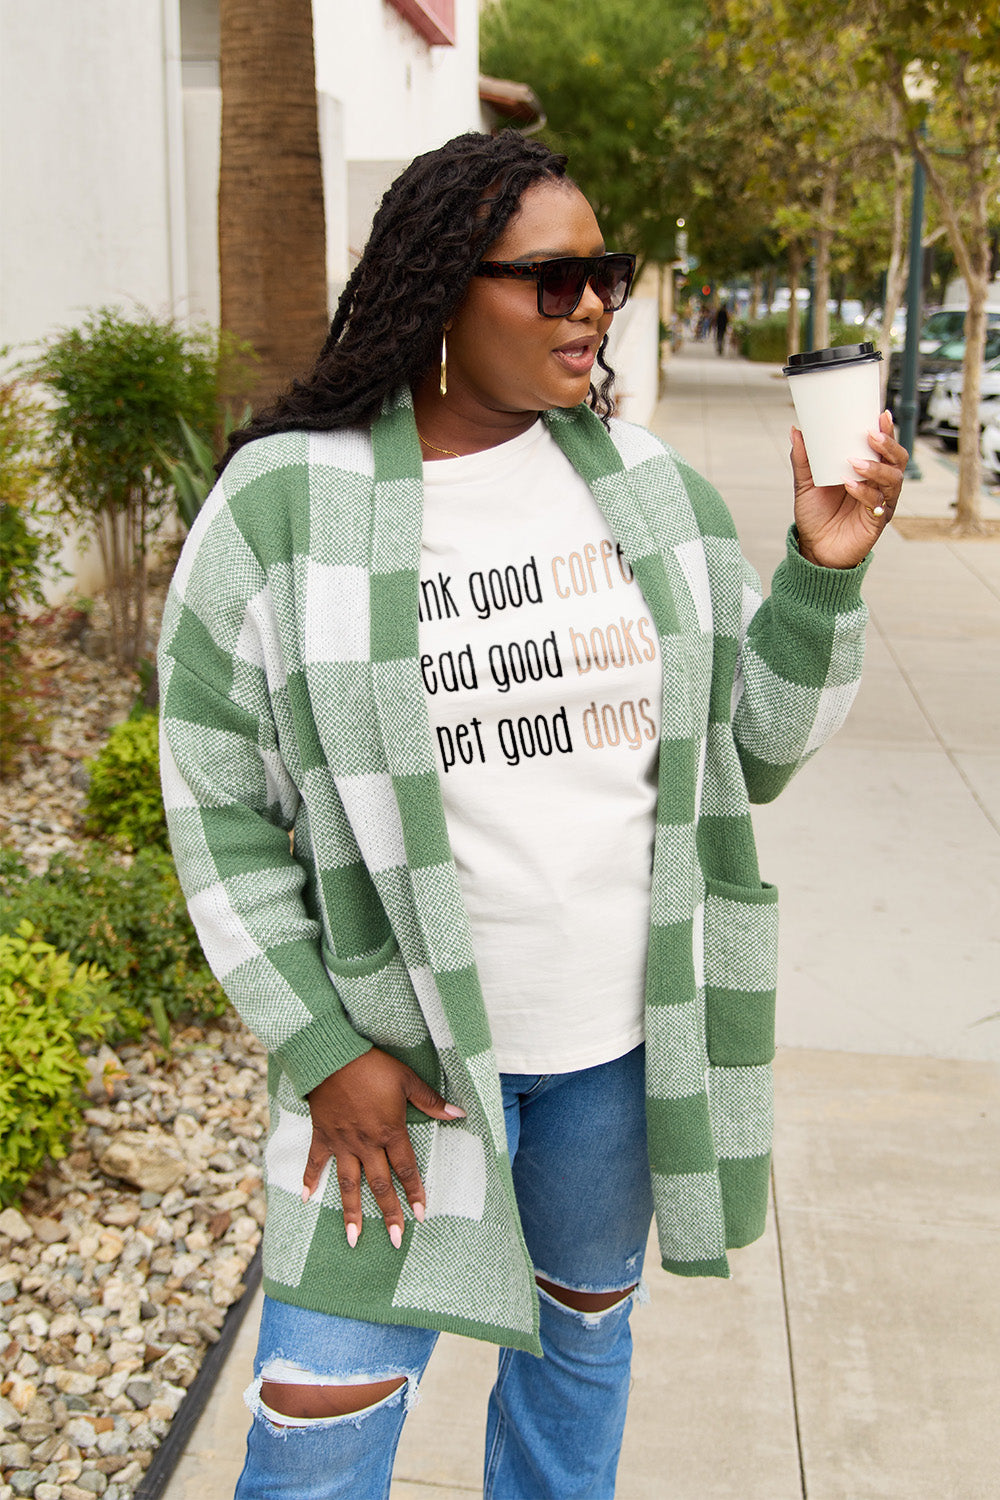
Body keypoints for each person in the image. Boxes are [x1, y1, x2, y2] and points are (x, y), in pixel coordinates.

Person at [158, 130, 906, 1500]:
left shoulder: (644, 486)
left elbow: (758, 747)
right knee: (318, 1422)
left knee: (577, 1380)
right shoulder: (288, 506)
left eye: (602, 275)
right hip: (403, 1066)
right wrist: (323, 1045)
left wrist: (822, 570)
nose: (592, 308)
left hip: (616, 1056)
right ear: (444, 289)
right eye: (550, 280)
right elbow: (215, 805)